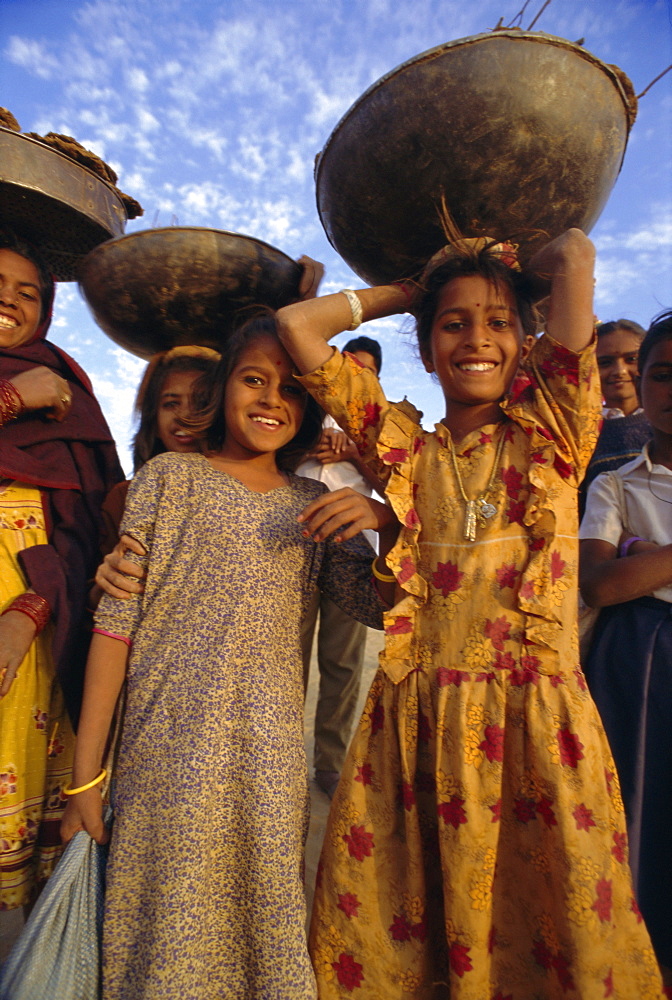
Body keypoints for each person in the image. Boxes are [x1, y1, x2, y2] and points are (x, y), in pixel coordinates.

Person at [276, 230, 664, 998]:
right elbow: (299, 329)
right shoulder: (404, 452)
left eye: (498, 322)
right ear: (425, 349)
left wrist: (504, 265)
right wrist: (414, 287)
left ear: (528, 343)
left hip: (533, 725)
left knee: (554, 928)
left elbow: (577, 254)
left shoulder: (556, 431)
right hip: (415, 732)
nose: (477, 338)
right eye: (453, 324)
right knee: (413, 939)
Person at [60, 314, 394, 1000]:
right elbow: (114, 630)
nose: (272, 399)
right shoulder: (168, 481)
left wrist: (385, 517)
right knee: (158, 937)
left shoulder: (316, 505)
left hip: (267, 767)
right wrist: (83, 780)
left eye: (293, 390)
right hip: (163, 761)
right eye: (254, 380)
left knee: (263, 932)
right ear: (223, 390)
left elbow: (378, 606)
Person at [0, 232, 123, 910]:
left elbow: (83, 529)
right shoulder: (34, 385)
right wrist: (13, 399)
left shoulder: (63, 384)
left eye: (28, 293)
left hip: (29, 620)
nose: (9, 301)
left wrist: (31, 612)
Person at [580, 309, 672, 986]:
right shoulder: (616, 481)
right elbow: (603, 582)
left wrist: (650, 557)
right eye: (662, 374)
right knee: (642, 814)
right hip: (640, 664)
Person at [297, 334, 384, 799]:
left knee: (343, 662)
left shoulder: (381, 426)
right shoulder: (304, 409)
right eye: (348, 364)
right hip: (293, 539)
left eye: (365, 369)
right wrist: (306, 446)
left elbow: (396, 486)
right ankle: (281, 758)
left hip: (351, 547)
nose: (355, 374)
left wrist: (354, 452)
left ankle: (330, 763)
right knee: (286, 656)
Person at [96, 344, 221, 559]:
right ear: (153, 422)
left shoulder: (251, 490)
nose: (184, 415)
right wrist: (108, 577)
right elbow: (94, 584)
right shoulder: (124, 497)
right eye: (171, 404)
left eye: (201, 403)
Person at [579, 318, 651, 518]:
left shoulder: (664, 424)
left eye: (632, 360)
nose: (619, 371)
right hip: (603, 543)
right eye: (605, 362)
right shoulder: (581, 430)